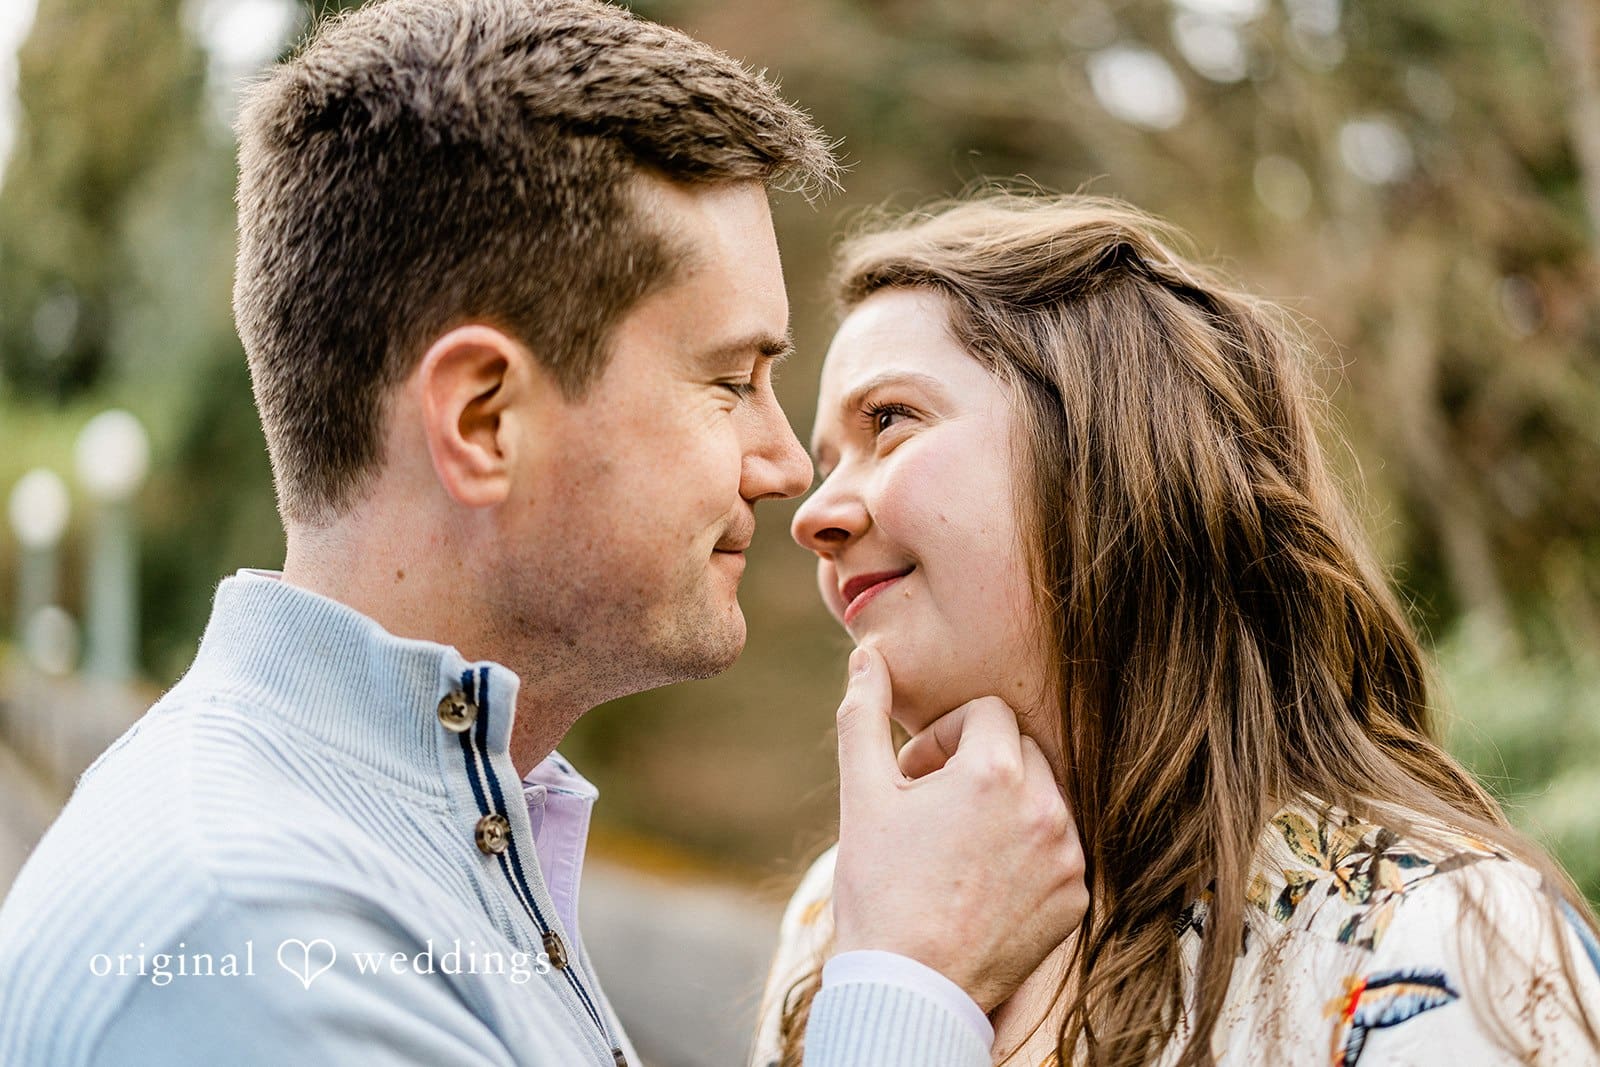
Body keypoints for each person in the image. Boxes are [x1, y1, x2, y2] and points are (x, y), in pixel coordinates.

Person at [0, 4, 1088, 1065]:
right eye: (730, 380)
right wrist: (908, 984)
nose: (787, 466)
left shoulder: (439, 842)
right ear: (482, 420)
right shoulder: (254, 943)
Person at [754, 192, 1600, 1066]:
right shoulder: (846, 915)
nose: (811, 512)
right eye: (825, 464)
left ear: (1105, 448)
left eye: (888, 421)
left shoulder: (1438, 942)